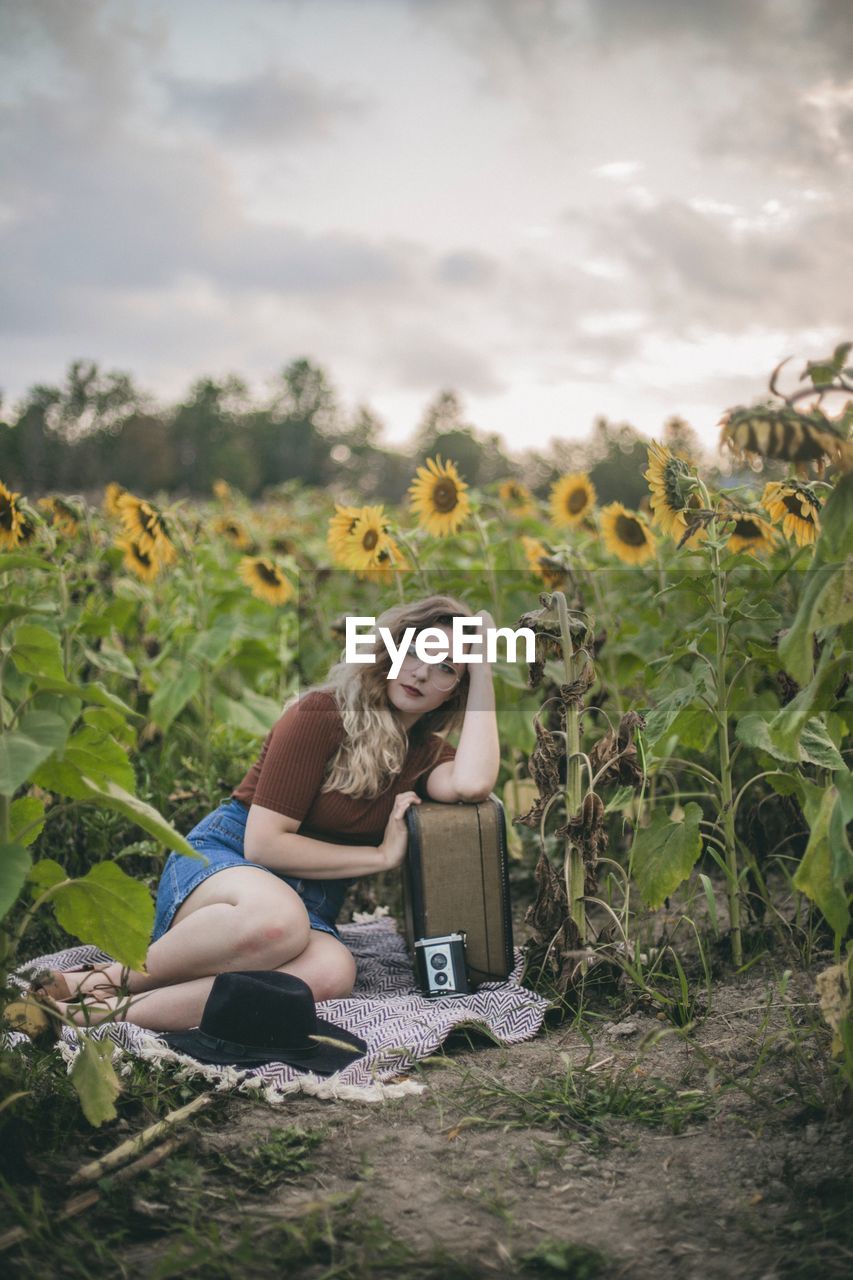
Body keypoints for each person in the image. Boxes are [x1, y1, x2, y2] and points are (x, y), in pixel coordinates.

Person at [36, 595, 500, 1031]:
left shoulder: (424, 754)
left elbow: (474, 782)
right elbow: (265, 844)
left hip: (309, 905)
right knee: (277, 921)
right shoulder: (321, 712)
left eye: (445, 669)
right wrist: (379, 858)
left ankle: (105, 1017)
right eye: (416, 652)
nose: (420, 673)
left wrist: (482, 669)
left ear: (453, 693)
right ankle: (104, 978)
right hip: (229, 867)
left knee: (331, 972)